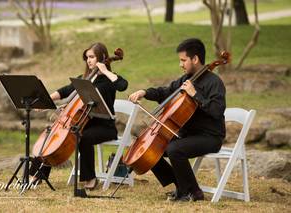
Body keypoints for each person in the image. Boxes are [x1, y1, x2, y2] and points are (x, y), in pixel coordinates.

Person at [128, 38, 226, 202]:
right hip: (187, 134)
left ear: (195, 59)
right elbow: (165, 92)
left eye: (183, 60)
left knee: (174, 149)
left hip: (210, 136)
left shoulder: (214, 83)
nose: (180, 64)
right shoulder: (185, 79)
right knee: (152, 148)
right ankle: (181, 187)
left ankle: (194, 191)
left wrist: (196, 95)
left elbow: (217, 111)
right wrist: (144, 92)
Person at [30, 42, 128, 190]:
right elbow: (65, 90)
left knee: (83, 137)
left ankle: (90, 178)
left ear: (102, 58)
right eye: (87, 57)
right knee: (52, 135)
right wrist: (45, 100)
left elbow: (123, 85)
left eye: (92, 57)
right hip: (83, 123)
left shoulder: (110, 79)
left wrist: (106, 71)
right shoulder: (85, 79)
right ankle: (37, 174)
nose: (88, 60)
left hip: (104, 127)